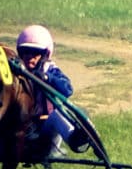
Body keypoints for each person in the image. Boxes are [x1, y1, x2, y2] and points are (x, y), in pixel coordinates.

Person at [15, 25, 90, 159]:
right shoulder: (16, 71)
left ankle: (76, 140)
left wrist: (47, 78)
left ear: (45, 55)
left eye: (35, 53)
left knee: (56, 115)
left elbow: (67, 89)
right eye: (25, 52)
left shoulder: (49, 70)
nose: (29, 57)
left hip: (45, 132)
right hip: (20, 132)